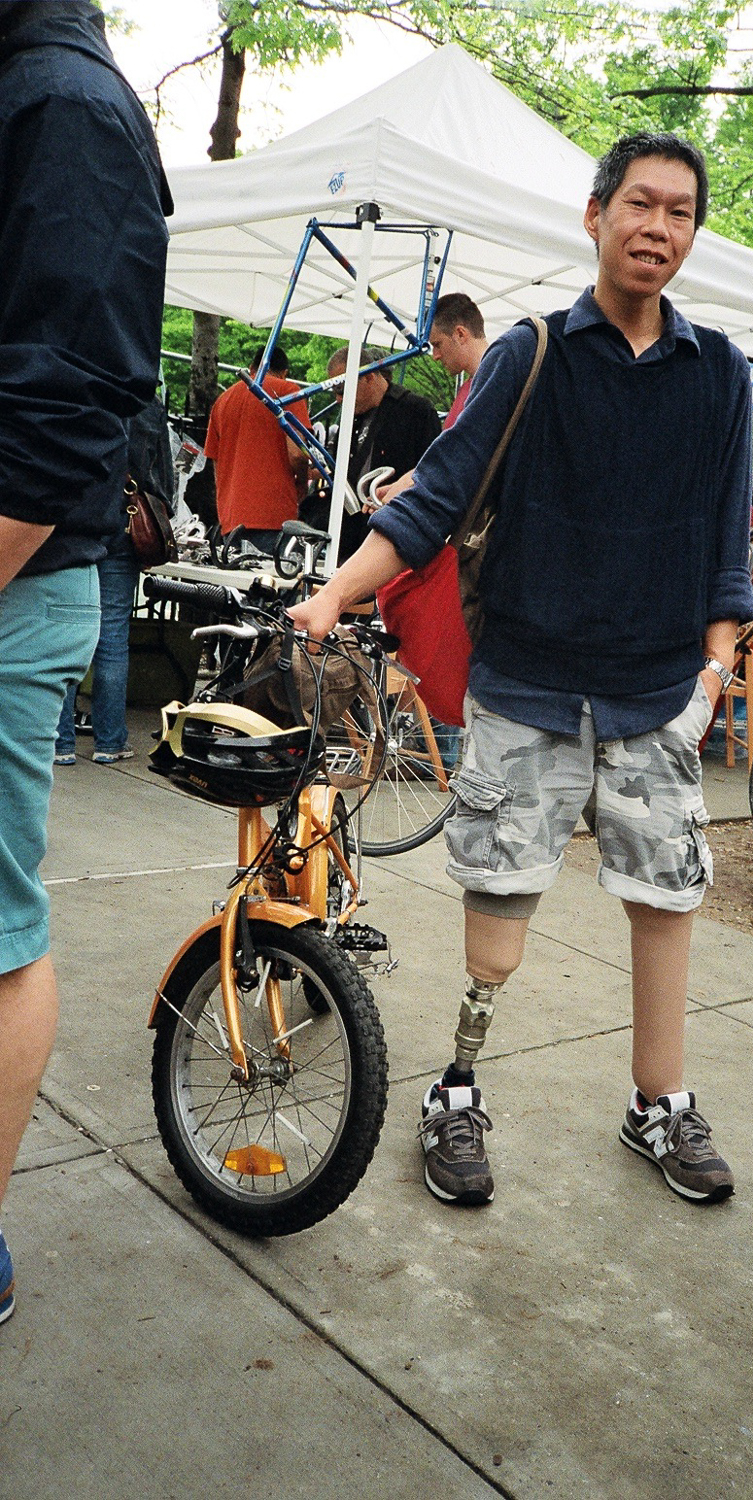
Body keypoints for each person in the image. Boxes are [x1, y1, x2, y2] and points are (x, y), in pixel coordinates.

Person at [289, 130, 753, 1210]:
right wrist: (331, 595)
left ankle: (658, 1101)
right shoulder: (530, 352)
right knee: (497, 922)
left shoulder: (718, 371)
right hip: (528, 686)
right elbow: (434, 499)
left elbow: (725, 541)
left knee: (665, 902)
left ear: (691, 232)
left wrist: (713, 670)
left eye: (679, 212)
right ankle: (454, 1092)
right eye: (638, 204)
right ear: (594, 216)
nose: (657, 228)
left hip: (655, 695)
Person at [0, 0, 171, 1326]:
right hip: (41, 571)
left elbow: (61, 404)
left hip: (20, 577)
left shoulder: (64, 100)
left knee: (2, 936)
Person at [54, 397, 175, 766]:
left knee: (67, 634)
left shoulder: (80, 391)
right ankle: (109, 741)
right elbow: (163, 481)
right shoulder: (148, 404)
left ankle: (60, 743)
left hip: (75, 525)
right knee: (112, 638)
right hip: (124, 524)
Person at [321, 345, 441, 559]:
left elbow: (432, 473)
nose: (338, 399)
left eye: (342, 389)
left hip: (393, 532)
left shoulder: (417, 411)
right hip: (347, 535)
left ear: (369, 377)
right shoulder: (349, 416)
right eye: (335, 391)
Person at [373, 293, 490, 508]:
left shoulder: (493, 386)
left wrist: (411, 483)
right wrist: (406, 483)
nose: (435, 355)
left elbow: (463, 461)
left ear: (460, 334)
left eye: (437, 344)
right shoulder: (472, 386)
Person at [204, 345, 311, 553]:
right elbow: (297, 453)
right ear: (284, 373)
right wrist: (302, 482)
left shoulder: (223, 400)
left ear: (251, 368)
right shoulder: (288, 392)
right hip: (274, 516)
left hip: (231, 519)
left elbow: (216, 464)